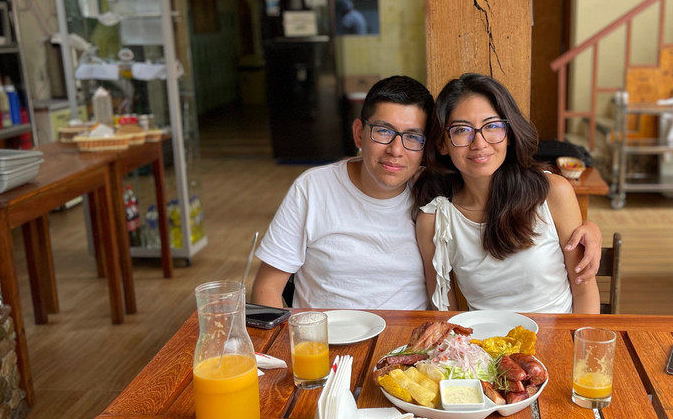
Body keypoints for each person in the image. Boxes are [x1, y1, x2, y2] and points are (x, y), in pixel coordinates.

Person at [251, 75, 601, 309]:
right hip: (329, 351)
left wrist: (590, 228)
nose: (396, 150)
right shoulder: (431, 209)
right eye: (383, 132)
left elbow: (582, 285)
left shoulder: (433, 197)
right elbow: (267, 287)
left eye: (412, 137)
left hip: (414, 350)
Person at [413, 73, 600, 314]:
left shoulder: (552, 192)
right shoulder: (436, 220)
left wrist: (580, 341)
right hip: (484, 338)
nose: (479, 143)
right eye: (462, 130)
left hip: (559, 335)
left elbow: (584, 290)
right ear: (442, 143)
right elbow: (445, 313)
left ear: (509, 134)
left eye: (492, 126)